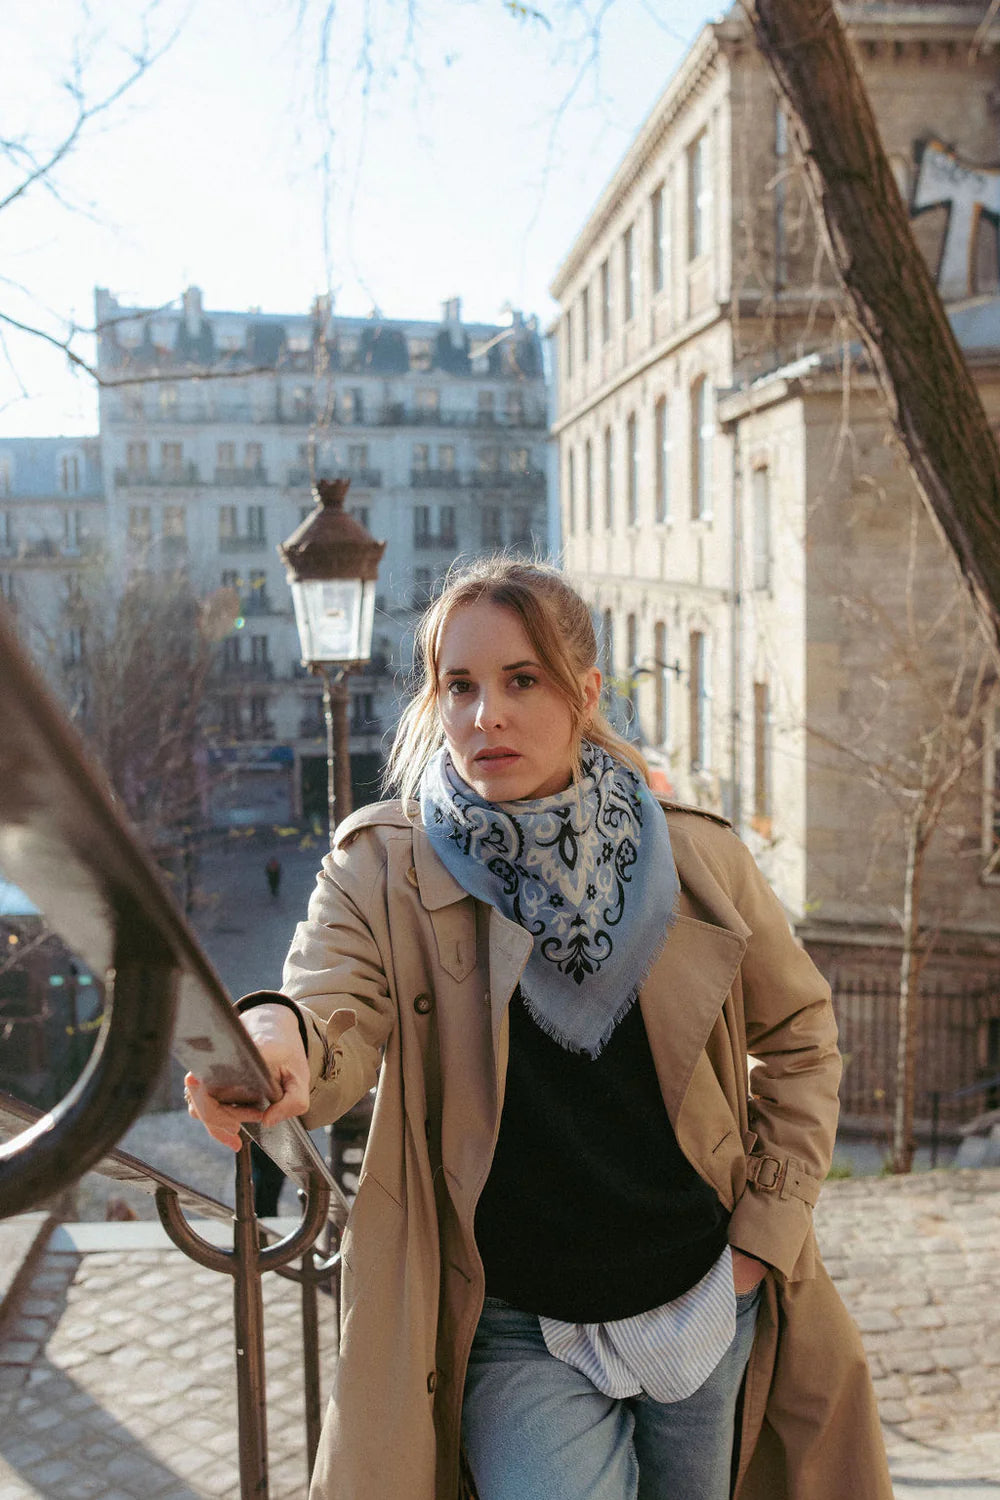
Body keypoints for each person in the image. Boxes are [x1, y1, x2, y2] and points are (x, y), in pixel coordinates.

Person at [186, 559, 892, 1500]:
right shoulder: (382, 868)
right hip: (517, 1321)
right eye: (460, 686)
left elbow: (801, 1035)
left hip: (704, 1289)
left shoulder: (695, 856)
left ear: (585, 693)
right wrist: (273, 1039)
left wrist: (760, 1243)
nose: (487, 715)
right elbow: (326, 1008)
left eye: (522, 680)